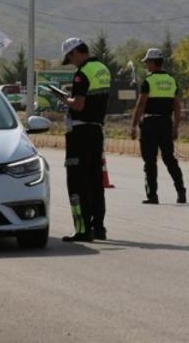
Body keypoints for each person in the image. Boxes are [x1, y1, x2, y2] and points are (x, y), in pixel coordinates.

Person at [60, 37, 111, 242]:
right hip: (96, 131)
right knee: (95, 181)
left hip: (79, 134)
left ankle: (82, 229)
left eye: (70, 58)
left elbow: (79, 105)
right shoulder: (103, 69)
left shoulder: (81, 74)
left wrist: (64, 99)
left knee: (77, 182)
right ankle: (98, 227)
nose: (71, 63)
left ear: (75, 53)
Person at [129, 48, 186, 205]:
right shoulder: (171, 81)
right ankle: (181, 191)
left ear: (153, 63)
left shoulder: (148, 82)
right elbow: (177, 107)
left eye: (147, 62)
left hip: (150, 124)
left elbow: (141, 105)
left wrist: (133, 126)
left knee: (150, 161)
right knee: (169, 159)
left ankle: (152, 195)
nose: (146, 65)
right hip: (166, 124)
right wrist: (175, 127)